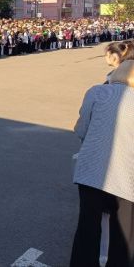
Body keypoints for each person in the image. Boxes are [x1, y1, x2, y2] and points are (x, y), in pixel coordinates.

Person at [70, 58, 134, 266]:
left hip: (91, 172)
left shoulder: (96, 92)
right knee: (123, 236)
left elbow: (81, 129)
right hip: (127, 178)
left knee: (87, 229)